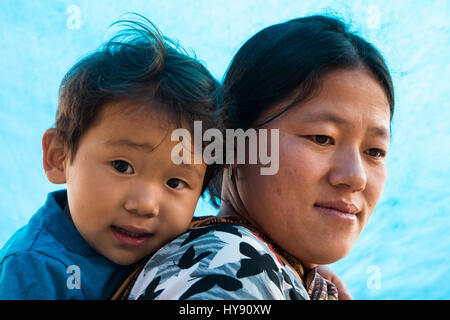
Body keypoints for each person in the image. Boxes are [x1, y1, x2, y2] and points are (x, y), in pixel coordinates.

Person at [121, 15, 394, 300]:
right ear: (233, 142)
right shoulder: (230, 269)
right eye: (322, 138)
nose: (356, 177)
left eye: (375, 151)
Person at [0, 15, 223, 299]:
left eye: (175, 183)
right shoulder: (35, 268)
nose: (145, 205)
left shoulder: (186, 255)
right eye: (122, 166)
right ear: (59, 156)